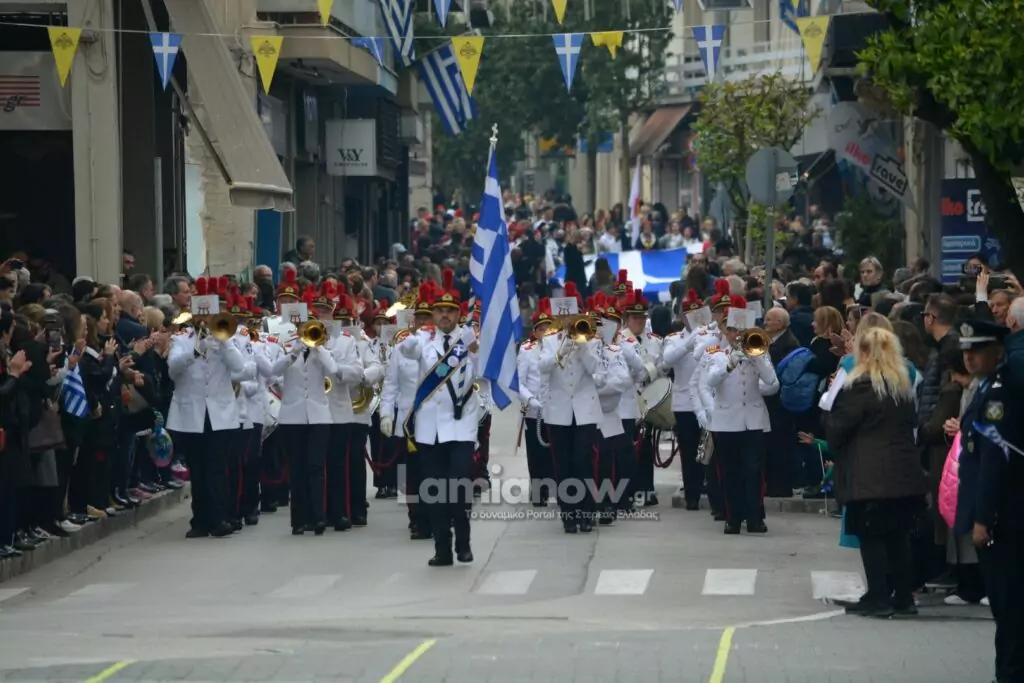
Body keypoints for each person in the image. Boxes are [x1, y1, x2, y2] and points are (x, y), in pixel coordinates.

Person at [825, 326, 926, 618]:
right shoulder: (902, 386)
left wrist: (828, 409)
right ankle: (903, 597)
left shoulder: (861, 385)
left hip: (869, 472)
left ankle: (878, 596)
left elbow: (838, 427)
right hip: (903, 470)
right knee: (898, 535)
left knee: (871, 536)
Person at [389, 269, 481, 565]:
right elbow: (406, 351)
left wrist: (475, 350)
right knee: (433, 490)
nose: (444, 316)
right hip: (430, 428)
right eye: (439, 311)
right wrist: (415, 334)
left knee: (457, 484)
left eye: (450, 311)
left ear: (458, 314)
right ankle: (442, 548)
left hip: (461, 425)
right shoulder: (423, 340)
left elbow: (483, 374)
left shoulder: (469, 340)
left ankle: (463, 542)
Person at [955, 318, 1024, 681]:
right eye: (966, 351)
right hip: (1002, 513)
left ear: (998, 351)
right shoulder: (986, 387)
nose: (969, 357)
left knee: (1008, 604)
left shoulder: (998, 393)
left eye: (977, 350)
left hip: (1003, 517)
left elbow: (994, 461)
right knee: (1005, 604)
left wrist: (984, 518)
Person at [166, 277, 248, 539]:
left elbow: (239, 367)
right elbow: (173, 369)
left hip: (219, 414)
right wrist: (196, 349)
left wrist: (223, 341)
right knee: (198, 469)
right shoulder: (181, 338)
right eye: (202, 314)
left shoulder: (227, 338)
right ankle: (200, 520)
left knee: (217, 468)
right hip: (191, 413)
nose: (205, 319)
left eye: (210, 314)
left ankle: (220, 518)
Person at [700, 299, 779, 534]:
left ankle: (755, 518)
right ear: (726, 331)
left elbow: (772, 382)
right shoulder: (715, 353)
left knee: (754, 472)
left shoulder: (759, 350)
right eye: (732, 330)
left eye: (741, 330)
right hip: (726, 422)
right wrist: (729, 364)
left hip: (753, 421)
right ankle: (732, 518)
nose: (737, 335)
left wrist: (757, 357)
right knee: (730, 473)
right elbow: (710, 381)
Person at [269, 285, 338, 536]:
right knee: (297, 468)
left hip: (318, 416)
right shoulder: (287, 346)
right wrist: (294, 352)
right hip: (292, 416)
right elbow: (273, 371)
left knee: (316, 467)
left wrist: (318, 347)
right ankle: (299, 520)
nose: (305, 328)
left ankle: (318, 517)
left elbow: (334, 371)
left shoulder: (322, 348)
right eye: (302, 325)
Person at [537, 282, 603, 533]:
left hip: (585, 408)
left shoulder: (592, 338)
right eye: (564, 315)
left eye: (572, 315)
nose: (568, 320)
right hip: (559, 410)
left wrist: (582, 345)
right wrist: (562, 350)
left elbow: (597, 370)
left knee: (583, 460)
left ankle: (586, 512)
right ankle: (569, 514)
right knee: (563, 464)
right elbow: (542, 367)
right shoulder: (549, 340)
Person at [517, 299, 555, 506]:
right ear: (535, 331)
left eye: (549, 328)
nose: (545, 332)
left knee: (555, 452)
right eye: (541, 329)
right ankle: (539, 491)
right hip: (534, 411)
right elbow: (519, 383)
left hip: (555, 409)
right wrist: (530, 400)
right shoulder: (527, 350)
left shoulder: (558, 349)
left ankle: (559, 488)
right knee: (536, 453)